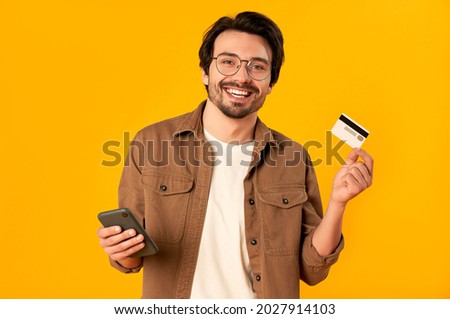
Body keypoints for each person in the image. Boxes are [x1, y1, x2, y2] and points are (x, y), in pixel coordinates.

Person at [97, 11, 373, 299]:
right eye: (228, 62)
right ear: (206, 71)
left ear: (271, 82)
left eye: (257, 67)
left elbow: (312, 269)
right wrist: (121, 250)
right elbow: (132, 260)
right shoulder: (150, 143)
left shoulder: (294, 157)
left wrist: (338, 203)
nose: (241, 77)